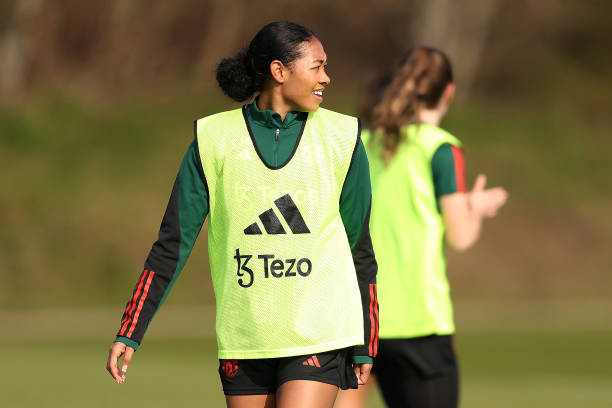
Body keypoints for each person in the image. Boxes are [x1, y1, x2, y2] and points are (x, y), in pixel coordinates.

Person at [105, 21, 379, 408]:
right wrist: (130, 331)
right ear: (279, 72)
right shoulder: (212, 139)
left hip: (319, 334)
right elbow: (172, 244)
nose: (326, 78)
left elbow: (359, 247)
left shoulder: (342, 137)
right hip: (244, 337)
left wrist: (365, 342)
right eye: (316, 67)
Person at [335, 47, 507, 408]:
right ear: (449, 92)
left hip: (358, 320)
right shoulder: (440, 148)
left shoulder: (363, 144)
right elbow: (461, 235)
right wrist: (474, 208)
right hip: (418, 325)